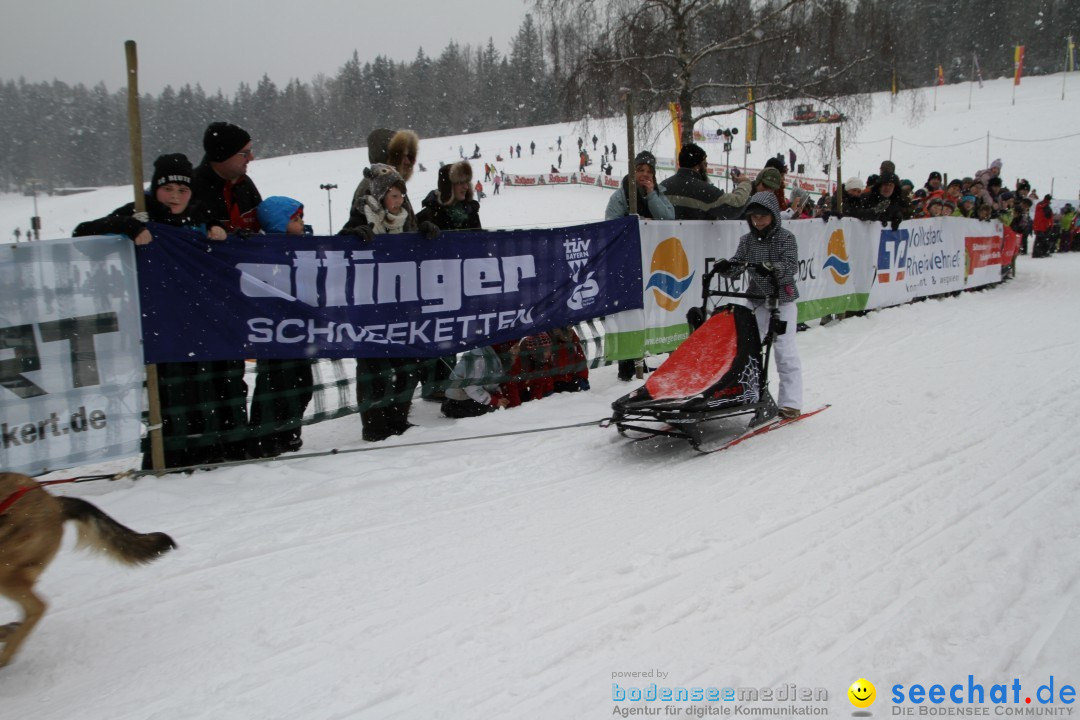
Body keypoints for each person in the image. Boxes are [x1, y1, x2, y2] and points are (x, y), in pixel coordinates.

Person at [74, 154, 232, 469]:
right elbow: (82, 235)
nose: (175, 197)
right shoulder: (139, 211)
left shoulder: (198, 213)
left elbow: (218, 229)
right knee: (168, 395)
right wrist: (125, 226)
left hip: (196, 321)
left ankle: (205, 453)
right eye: (168, 189)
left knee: (203, 391)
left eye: (182, 190)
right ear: (155, 188)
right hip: (155, 323)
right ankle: (166, 456)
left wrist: (216, 227)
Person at [346, 164, 424, 441]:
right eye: (393, 195)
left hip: (402, 307)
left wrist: (427, 235)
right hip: (370, 308)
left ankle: (398, 418)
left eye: (402, 196)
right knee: (373, 368)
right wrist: (354, 235)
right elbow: (339, 253)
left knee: (406, 364)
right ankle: (375, 425)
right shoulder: (361, 217)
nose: (398, 201)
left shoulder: (406, 221)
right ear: (380, 197)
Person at [715, 192, 802, 419]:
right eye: (754, 217)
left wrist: (772, 268)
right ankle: (749, 394)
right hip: (756, 299)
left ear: (773, 215)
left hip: (782, 299)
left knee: (784, 350)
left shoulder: (786, 238)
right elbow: (737, 265)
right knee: (748, 349)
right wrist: (726, 268)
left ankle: (790, 402)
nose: (758, 221)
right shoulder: (747, 241)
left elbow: (791, 267)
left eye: (763, 216)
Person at [248, 196, 315, 458]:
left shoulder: (305, 247)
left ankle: (290, 430)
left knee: (302, 384)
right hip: (274, 333)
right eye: (295, 220)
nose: (302, 224)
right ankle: (265, 437)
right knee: (273, 385)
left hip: (298, 330)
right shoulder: (265, 250)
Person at [416, 161, 483, 402]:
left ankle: (447, 380)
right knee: (436, 332)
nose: (465, 186)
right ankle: (433, 383)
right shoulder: (430, 211)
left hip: (461, 281)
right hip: (434, 283)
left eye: (467, 182)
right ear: (448, 185)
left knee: (454, 330)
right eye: (459, 183)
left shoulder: (470, 210)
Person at [606, 150, 675, 381]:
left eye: (649, 171)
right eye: (640, 170)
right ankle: (628, 364)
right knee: (630, 313)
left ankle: (651, 356)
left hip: (655, 261)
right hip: (628, 262)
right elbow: (610, 226)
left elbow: (669, 218)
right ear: (633, 171)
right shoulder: (620, 196)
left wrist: (652, 195)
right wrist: (634, 223)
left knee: (655, 310)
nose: (644, 175)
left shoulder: (659, 192)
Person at [193, 121, 262, 233]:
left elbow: (265, 227)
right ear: (223, 155)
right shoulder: (190, 189)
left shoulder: (245, 183)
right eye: (245, 153)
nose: (251, 158)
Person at [659, 142, 751, 220]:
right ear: (697, 166)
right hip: (697, 240)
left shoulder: (663, 186)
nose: (706, 167)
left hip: (668, 241)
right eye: (705, 164)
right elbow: (735, 206)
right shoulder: (704, 190)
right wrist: (745, 183)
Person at [440, 346, 511, 418]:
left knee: (495, 410)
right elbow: (472, 388)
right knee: (490, 414)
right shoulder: (478, 357)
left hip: (471, 398)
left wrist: (498, 395)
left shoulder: (489, 351)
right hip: (458, 401)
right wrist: (495, 401)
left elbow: (492, 380)